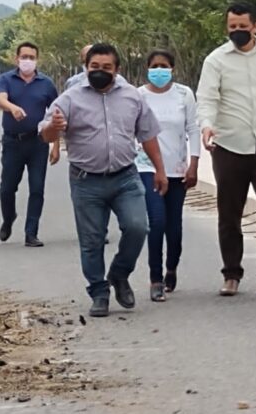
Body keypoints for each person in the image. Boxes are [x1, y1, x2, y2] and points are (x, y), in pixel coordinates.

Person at [40, 43, 167, 317]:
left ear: (116, 69)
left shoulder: (133, 97)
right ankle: (99, 291)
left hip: (125, 177)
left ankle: (119, 274)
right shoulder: (69, 99)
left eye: (106, 68)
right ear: (86, 68)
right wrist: (53, 127)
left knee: (138, 227)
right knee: (92, 240)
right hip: (86, 181)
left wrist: (160, 169)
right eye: (94, 67)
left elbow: (148, 135)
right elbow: (46, 135)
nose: (99, 72)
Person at [197, 2, 256, 299]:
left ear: (255, 26)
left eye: (242, 26)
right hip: (229, 145)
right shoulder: (216, 60)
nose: (237, 31)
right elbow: (207, 98)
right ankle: (231, 274)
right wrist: (207, 126)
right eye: (232, 27)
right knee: (229, 212)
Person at [137, 50, 201, 302]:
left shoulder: (185, 94)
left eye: (164, 66)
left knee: (174, 227)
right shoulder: (138, 96)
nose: (159, 70)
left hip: (177, 169)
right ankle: (155, 278)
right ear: (147, 68)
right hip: (147, 168)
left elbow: (193, 129)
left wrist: (193, 163)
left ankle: (171, 268)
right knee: (156, 221)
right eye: (155, 66)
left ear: (172, 68)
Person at [0, 42, 59, 247]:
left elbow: (56, 114)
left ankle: (31, 232)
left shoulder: (46, 84)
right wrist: (12, 108)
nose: (28, 61)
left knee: (37, 188)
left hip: (38, 142)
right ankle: (8, 217)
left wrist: (56, 145)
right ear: (17, 59)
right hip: (13, 142)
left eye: (32, 57)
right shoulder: (6, 79)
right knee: (7, 188)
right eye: (24, 57)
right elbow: (1, 99)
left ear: (37, 60)